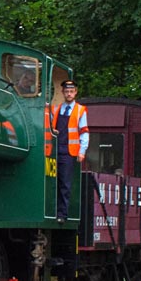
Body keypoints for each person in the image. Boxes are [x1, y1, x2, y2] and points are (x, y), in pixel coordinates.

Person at [50, 79, 89, 224]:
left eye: (71, 91)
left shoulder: (80, 110)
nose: (69, 94)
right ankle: (53, 211)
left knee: (65, 183)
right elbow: (49, 127)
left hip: (69, 151)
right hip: (54, 149)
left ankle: (62, 214)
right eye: (66, 91)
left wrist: (82, 151)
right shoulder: (56, 109)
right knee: (53, 181)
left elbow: (84, 132)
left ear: (76, 92)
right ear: (63, 93)